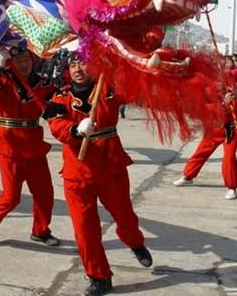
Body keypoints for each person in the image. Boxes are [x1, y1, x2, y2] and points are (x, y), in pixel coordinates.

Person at [46, 53, 151, 296]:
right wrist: (75, 129)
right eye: (72, 65)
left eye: (82, 62)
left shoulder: (109, 87)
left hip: (109, 166)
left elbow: (136, 91)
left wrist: (129, 67)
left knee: (124, 217)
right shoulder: (60, 96)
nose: (77, 69)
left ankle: (135, 242)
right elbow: (56, 126)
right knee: (84, 228)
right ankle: (99, 275)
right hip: (77, 170)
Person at [0, 47, 60, 247]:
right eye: (19, 60)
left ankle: (41, 230)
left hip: (33, 142)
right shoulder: (3, 80)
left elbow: (58, 100)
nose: (24, 64)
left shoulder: (43, 83)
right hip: (8, 142)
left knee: (44, 193)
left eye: (26, 59)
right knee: (11, 196)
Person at [173, 85, 237, 200]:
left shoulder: (233, 90)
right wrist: (224, 103)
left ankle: (231, 188)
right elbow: (206, 109)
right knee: (201, 153)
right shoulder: (209, 90)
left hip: (230, 131)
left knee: (229, 157)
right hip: (213, 130)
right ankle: (188, 176)